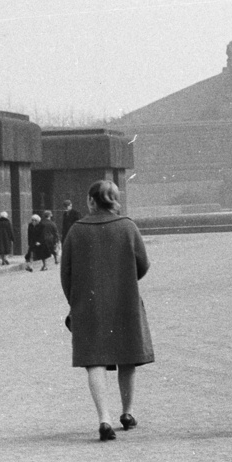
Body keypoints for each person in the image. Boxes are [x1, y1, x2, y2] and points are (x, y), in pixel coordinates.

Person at [60, 180, 153, 440]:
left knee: (94, 360)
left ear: (91, 200)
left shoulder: (76, 231)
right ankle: (128, 411)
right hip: (124, 300)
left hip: (88, 305)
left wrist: (75, 300)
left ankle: (104, 418)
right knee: (127, 356)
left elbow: (65, 273)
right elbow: (143, 265)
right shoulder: (128, 227)